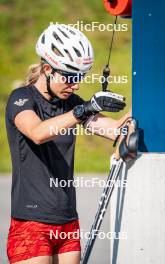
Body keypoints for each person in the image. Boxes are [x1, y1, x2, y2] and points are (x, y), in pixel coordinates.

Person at [6, 24, 129, 264]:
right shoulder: (21, 98)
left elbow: (115, 130)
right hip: (31, 223)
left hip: (67, 222)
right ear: (48, 69)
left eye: (80, 77)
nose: (76, 85)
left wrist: (145, 99)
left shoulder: (72, 103)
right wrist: (84, 109)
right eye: (70, 77)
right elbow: (38, 133)